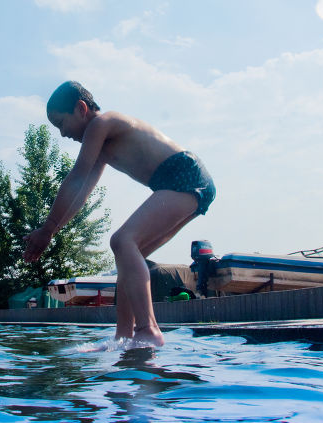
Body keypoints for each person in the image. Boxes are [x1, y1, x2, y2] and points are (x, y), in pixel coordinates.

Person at [23, 81, 215, 346]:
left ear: (81, 108)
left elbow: (76, 177)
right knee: (128, 255)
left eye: (61, 124)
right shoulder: (101, 144)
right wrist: (52, 231)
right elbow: (81, 194)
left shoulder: (102, 123)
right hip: (184, 181)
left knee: (122, 241)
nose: (63, 134)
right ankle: (124, 336)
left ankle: (148, 329)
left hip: (184, 175)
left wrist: (46, 229)